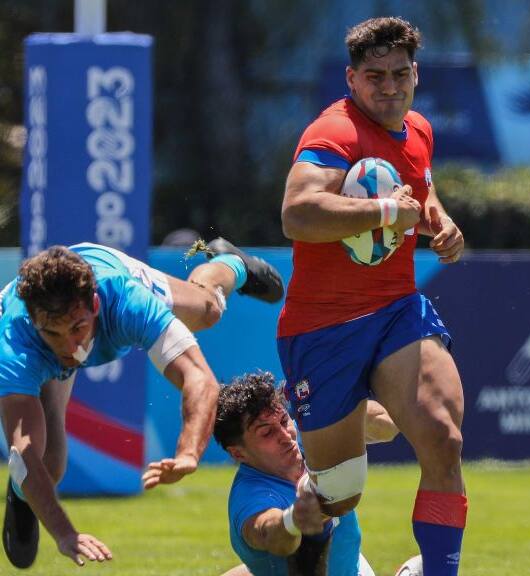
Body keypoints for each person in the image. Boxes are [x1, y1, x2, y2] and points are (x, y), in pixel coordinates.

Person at [279, 16, 467, 576]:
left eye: (400, 73)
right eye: (374, 76)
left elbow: (420, 194)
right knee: (338, 497)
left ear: (416, 73)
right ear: (351, 79)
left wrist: (440, 221)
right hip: (322, 328)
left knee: (442, 437)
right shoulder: (331, 134)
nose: (389, 87)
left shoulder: (419, 130)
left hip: (395, 310)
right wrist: (388, 211)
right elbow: (297, 213)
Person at [0, 238, 284, 569]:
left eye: (78, 327)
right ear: (36, 323)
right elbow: (23, 449)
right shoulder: (17, 339)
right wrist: (65, 533)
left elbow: (199, 378)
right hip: (36, 353)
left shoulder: (125, 299)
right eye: (54, 333)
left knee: (209, 310)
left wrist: (188, 452)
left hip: (105, 269)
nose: (70, 344)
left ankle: (231, 262)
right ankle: (22, 493)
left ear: (94, 305)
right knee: (45, 465)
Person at [214, 372, 396, 575]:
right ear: (238, 453)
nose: (286, 437)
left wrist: (336, 410)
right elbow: (267, 532)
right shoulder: (252, 496)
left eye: (284, 421)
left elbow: (388, 426)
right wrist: (293, 520)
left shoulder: (308, 438)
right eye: (267, 433)